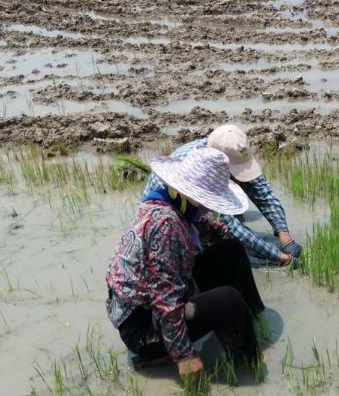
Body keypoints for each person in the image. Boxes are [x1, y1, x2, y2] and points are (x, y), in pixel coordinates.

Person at [106, 146, 264, 380]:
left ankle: (251, 324)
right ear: (191, 195)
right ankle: (248, 367)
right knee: (229, 300)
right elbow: (164, 297)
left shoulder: (172, 201)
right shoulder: (166, 226)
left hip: (154, 307)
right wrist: (184, 355)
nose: (209, 208)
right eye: (209, 201)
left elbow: (213, 228)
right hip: (144, 329)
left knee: (230, 250)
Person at [142, 125, 302, 266]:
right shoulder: (200, 173)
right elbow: (230, 227)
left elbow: (262, 192)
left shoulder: (231, 150)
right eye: (234, 172)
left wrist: (284, 235)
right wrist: (279, 257)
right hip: (172, 213)